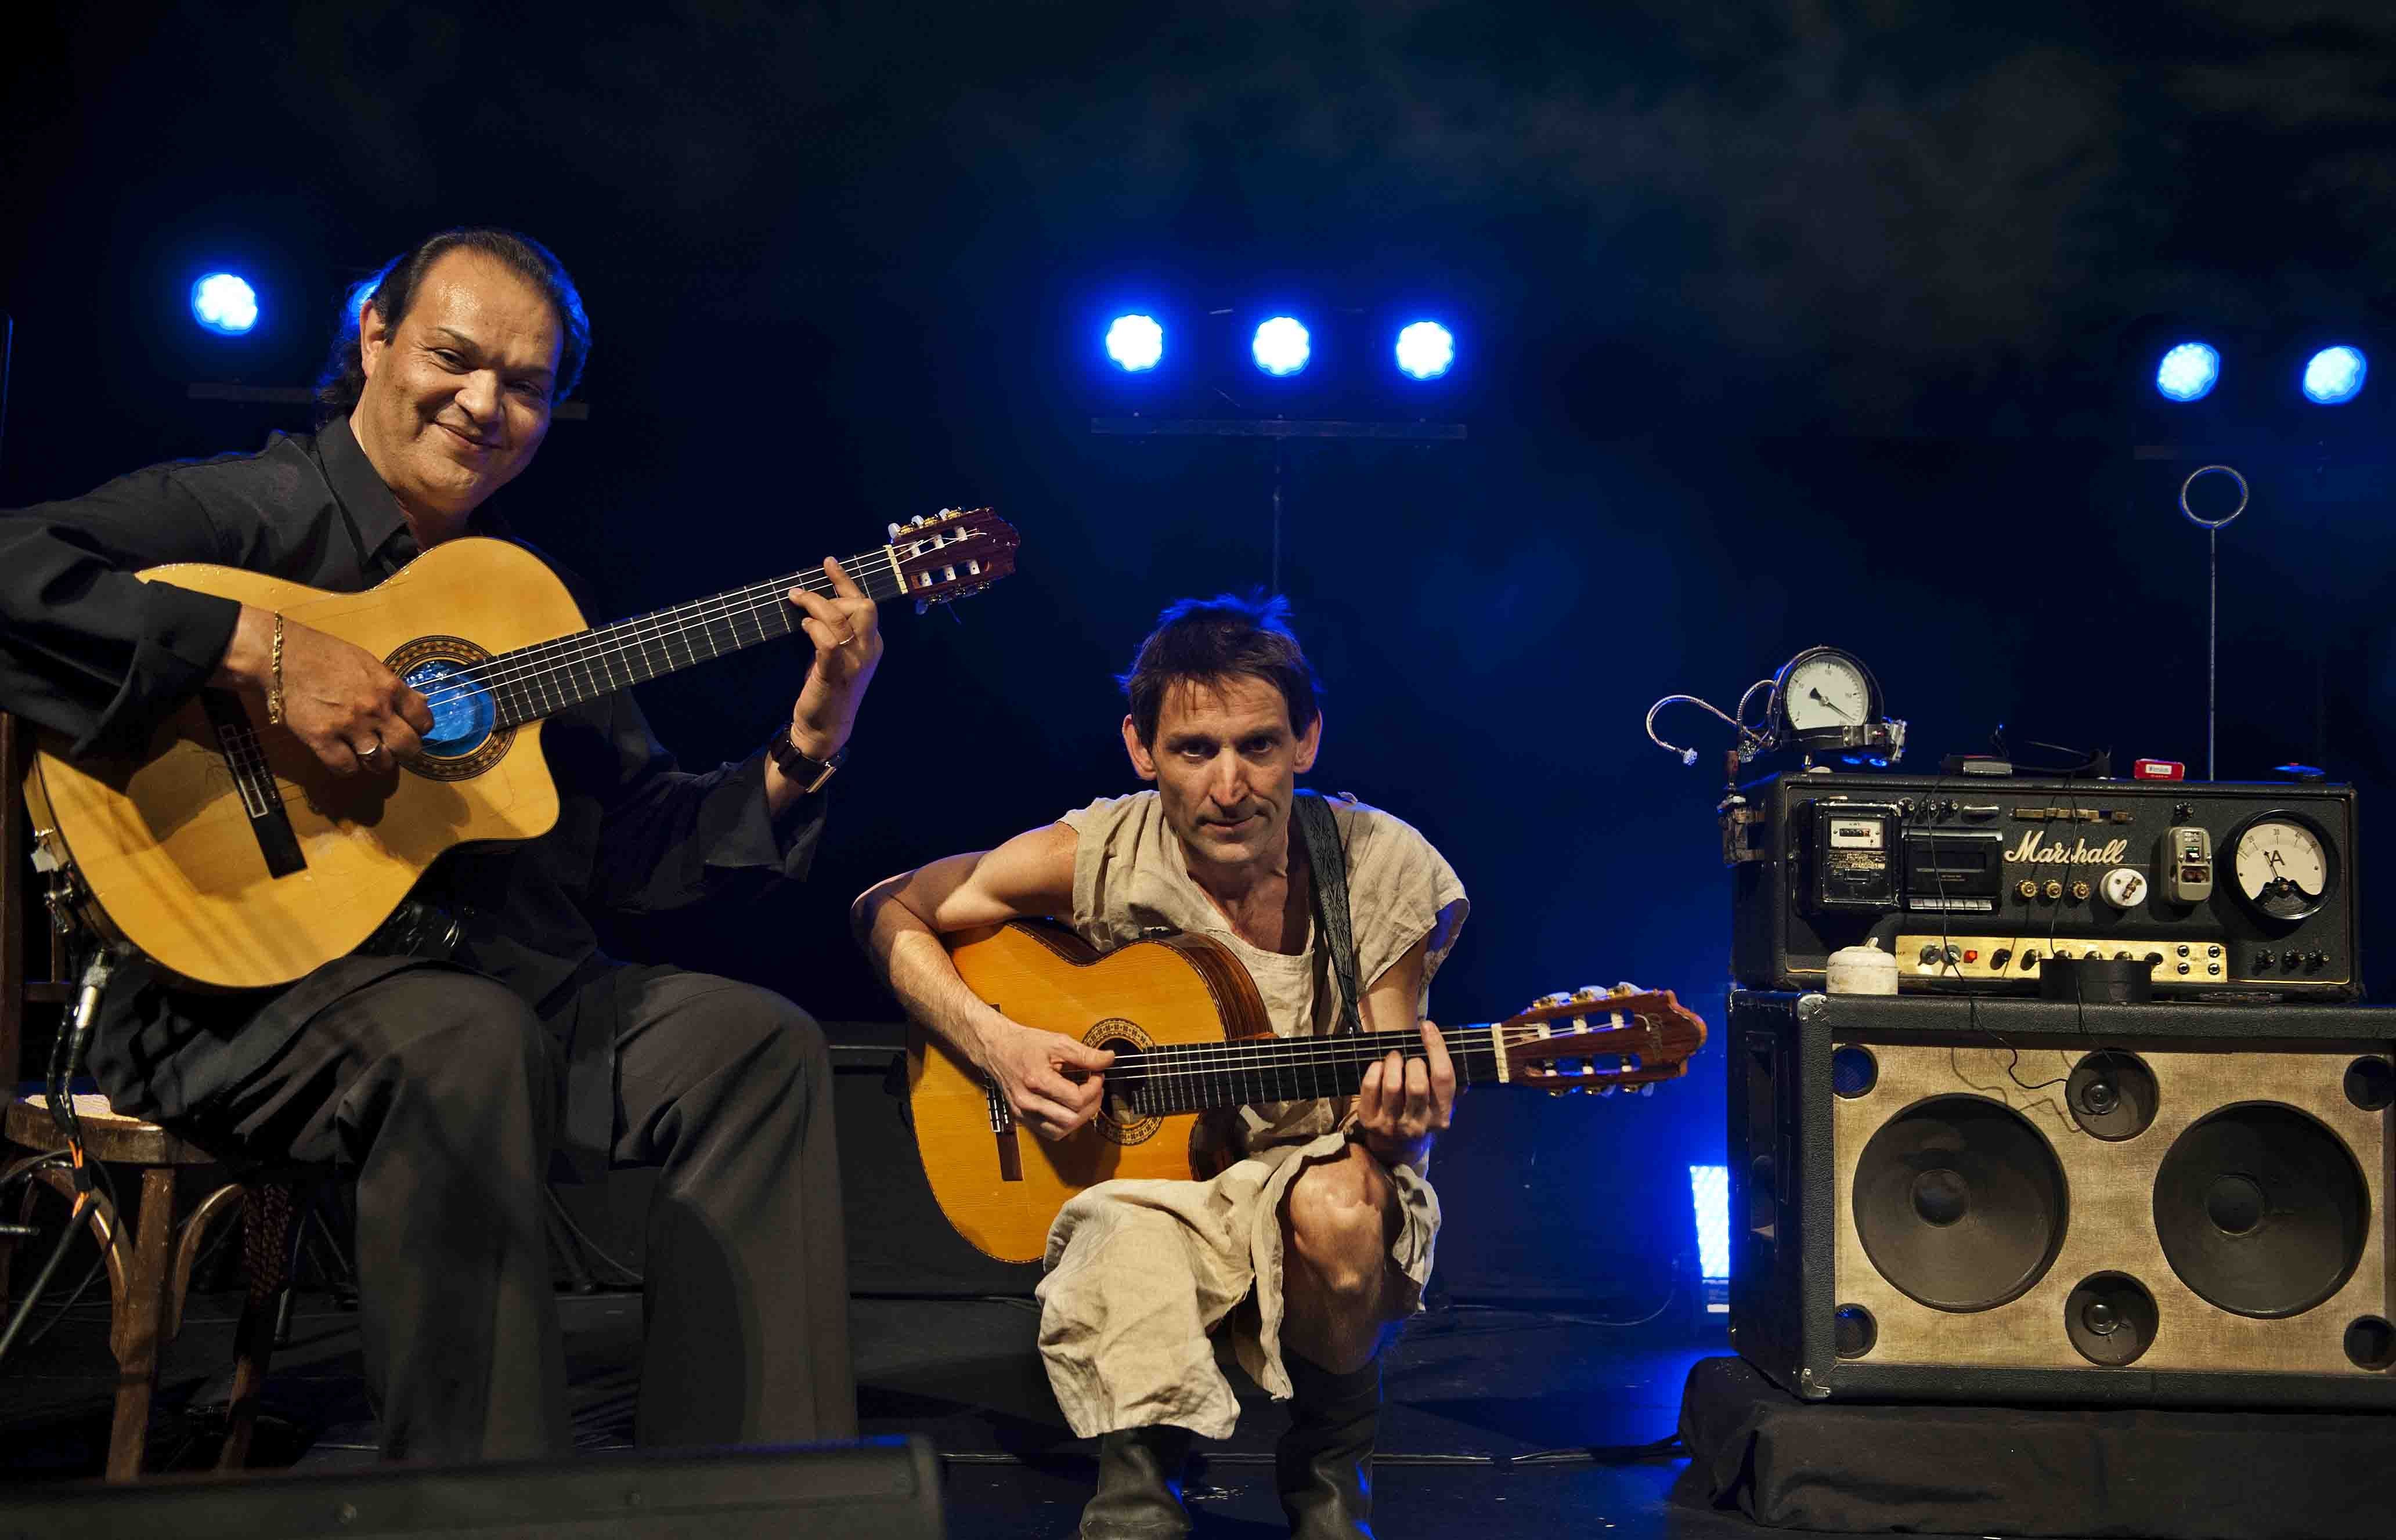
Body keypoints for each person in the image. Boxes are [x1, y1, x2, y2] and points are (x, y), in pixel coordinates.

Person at [0, 227, 871, 1459]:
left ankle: (747, 1489)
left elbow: (637, 843)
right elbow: (12, 563)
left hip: (479, 981)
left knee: (756, 1047)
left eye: (524, 386)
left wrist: (806, 741)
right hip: (232, 992)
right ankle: (479, 1503)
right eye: (455, 359)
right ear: (375, 341)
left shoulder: (513, 598)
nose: (483, 403)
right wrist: (263, 649)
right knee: (471, 1040)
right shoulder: (261, 506)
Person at [853, 593, 1468, 1539]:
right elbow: (887, 906)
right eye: (1194, 750)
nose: (1230, 785)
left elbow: (1393, 1126)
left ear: (1307, 740)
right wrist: (996, 1041)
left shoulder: (1379, 866)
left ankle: (1329, 1486)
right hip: (1159, 1188)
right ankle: (1138, 1499)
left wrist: (1401, 1126)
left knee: (1342, 1208)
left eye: (1259, 745)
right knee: (1123, 1234)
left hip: (1314, 1181)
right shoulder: (1104, 849)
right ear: (1142, 750)